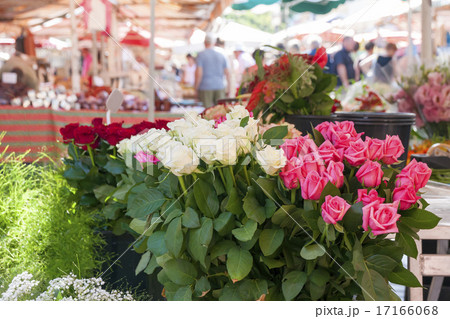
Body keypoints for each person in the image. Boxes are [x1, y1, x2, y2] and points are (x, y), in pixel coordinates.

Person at [194, 33, 230, 108]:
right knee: (220, 111)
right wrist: (228, 88)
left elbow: (199, 73)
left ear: (204, 43)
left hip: (205, 87)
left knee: (207, 112)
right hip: (220, 86)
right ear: (214, 43)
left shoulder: (201, 55)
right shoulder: (222, 54)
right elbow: (227, 73)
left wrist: (196, 88)